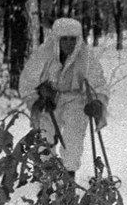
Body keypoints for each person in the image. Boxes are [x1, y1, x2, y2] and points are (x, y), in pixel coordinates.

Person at [19, 17, 109, 178]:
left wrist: (97, 102)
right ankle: (47, 175)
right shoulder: (43, 54)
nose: (69, 43)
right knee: (45, 137)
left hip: (76, 99)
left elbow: (97, 82)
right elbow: (28, 81)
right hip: (49, 100)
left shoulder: (86, 56)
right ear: (57, 39)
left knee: (73, 137)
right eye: (64, 39)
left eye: (73, 39)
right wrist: (36, 100)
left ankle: (69, 175)